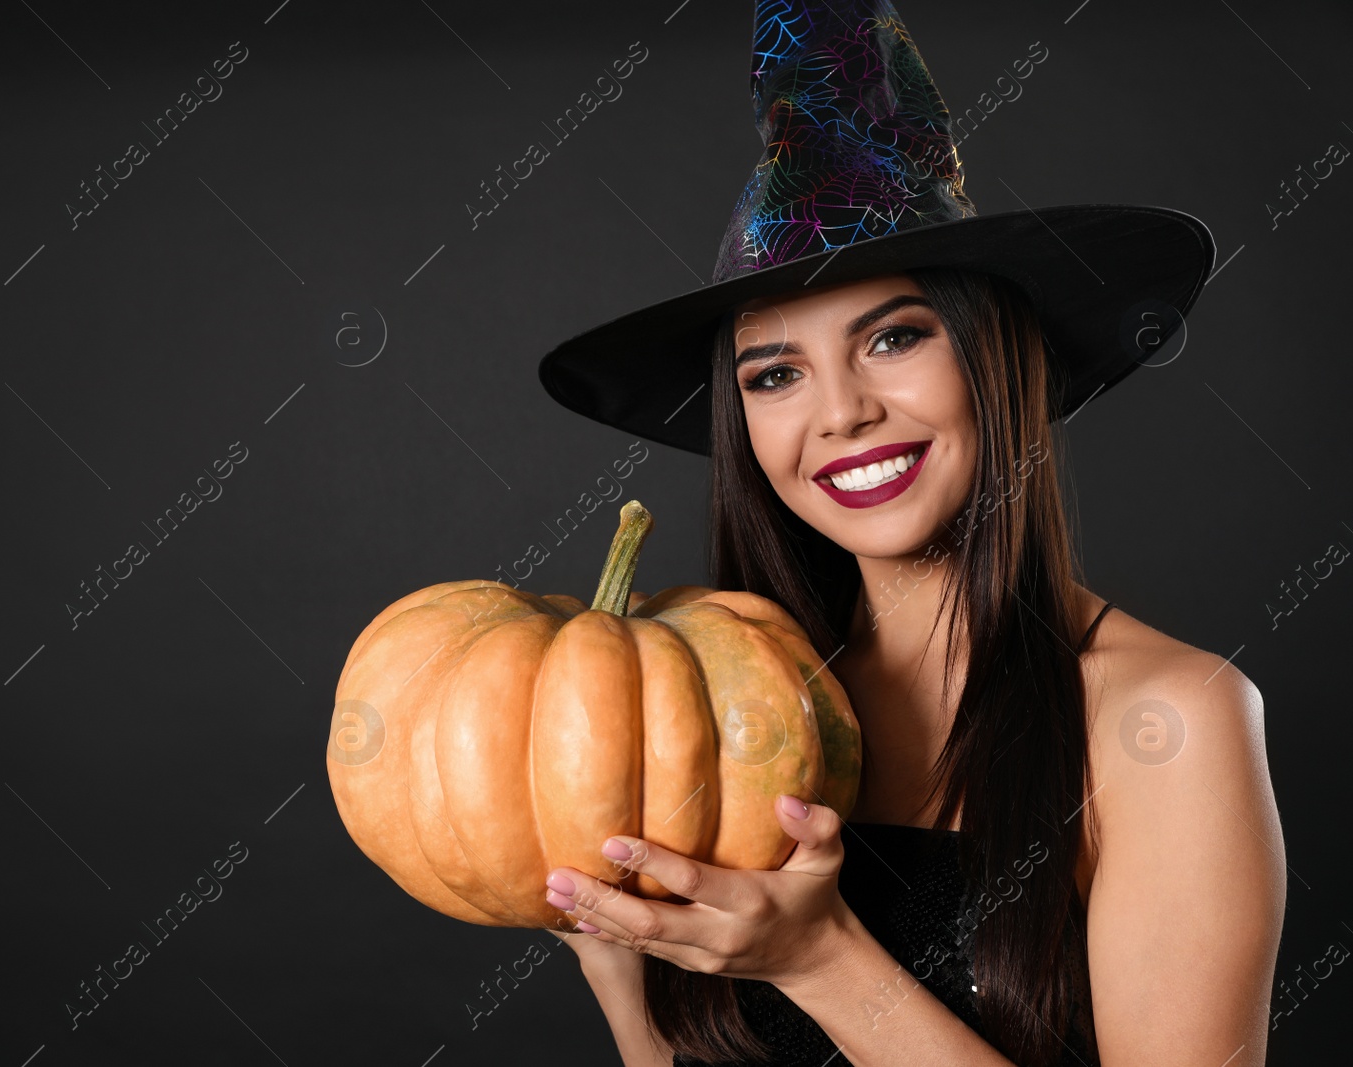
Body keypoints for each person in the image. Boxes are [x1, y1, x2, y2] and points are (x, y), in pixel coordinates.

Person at [533, 3, 1286, 1066]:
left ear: (995, 354)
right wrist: (620, 965)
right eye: (775, 372)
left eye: (892, 337)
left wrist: (821, 960)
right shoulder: (722, 706)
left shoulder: (1168, 719)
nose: (837, 411)